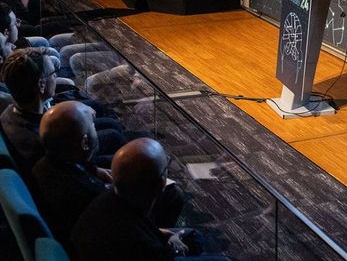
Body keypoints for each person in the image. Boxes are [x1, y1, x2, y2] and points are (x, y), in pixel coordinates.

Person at [32, 101, 184, 250]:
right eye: (92, 125)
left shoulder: (44, 166)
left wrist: (92, 170)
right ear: (84, 142)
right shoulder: (87, 194)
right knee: (175, 198)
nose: (95, 127)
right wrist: (161, 237)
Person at [71, 137, 231, 261]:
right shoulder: (145, 247)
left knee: (194, 236)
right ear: (161, 183)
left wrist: (159, 233)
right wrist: (172, 248)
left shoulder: (105, 200)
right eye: (165, 168)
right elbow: (152, 250)